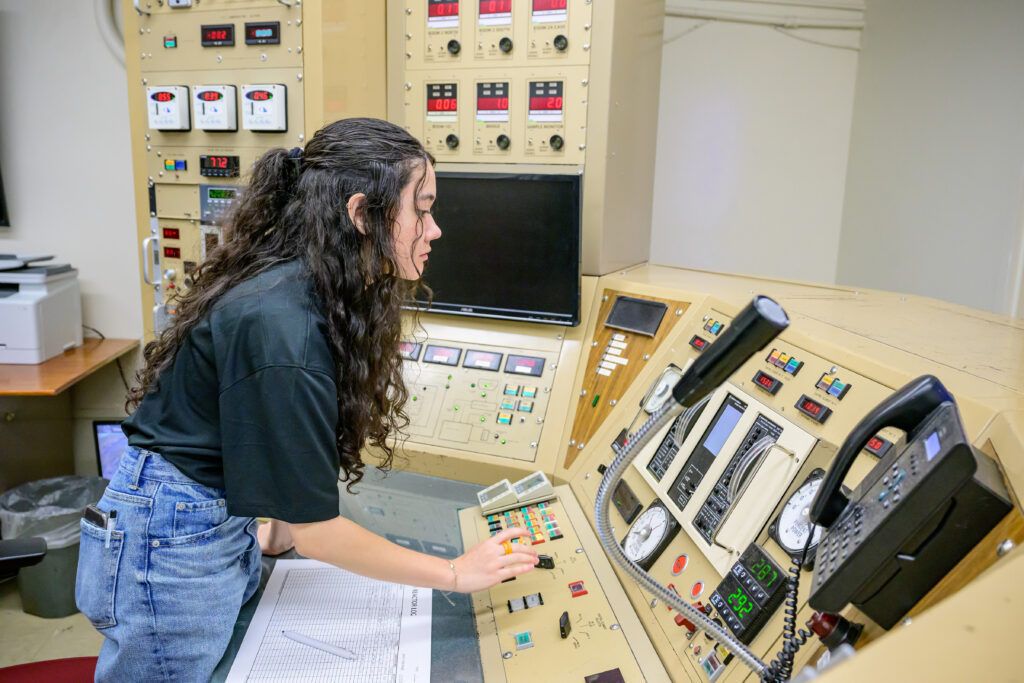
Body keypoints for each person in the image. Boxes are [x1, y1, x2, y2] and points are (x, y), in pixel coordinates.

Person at [75, 118, 538, 682]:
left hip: (209, 520)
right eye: (422, 209)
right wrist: (456, 573)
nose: (434, 229)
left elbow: (253, 426)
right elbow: (320, 535)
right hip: (168, 543)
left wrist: (275, 518)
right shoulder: (280, 325)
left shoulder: (310, 288)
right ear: (361, 214)